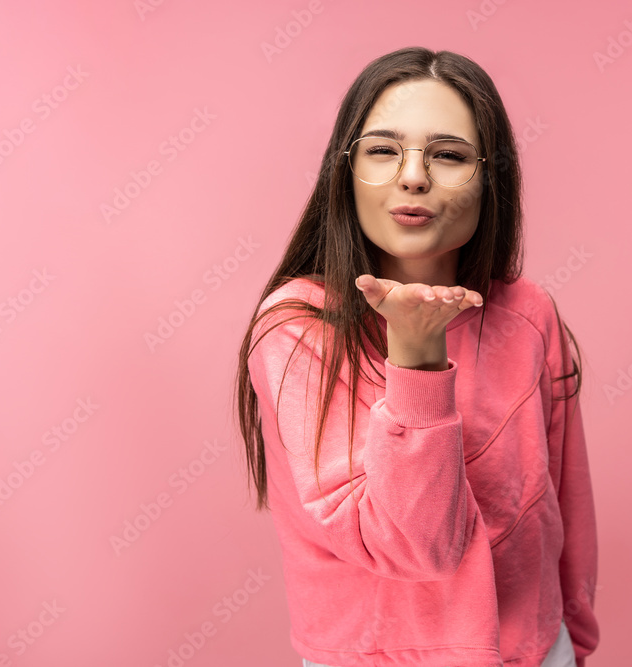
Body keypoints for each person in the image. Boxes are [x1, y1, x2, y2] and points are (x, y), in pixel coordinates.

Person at [235, 46, 600, 667]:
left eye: (449, 155)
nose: (413, 177)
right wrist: (416, 356)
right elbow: (415, 548)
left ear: (490, 179)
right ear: (345, 172)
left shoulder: (528, 313)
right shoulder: (297, 326)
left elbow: (563, 500)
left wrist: (573, 640)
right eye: (382, 150)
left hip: (536, 653)